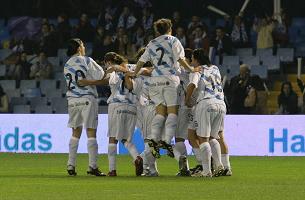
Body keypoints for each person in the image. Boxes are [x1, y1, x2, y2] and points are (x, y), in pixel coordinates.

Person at [133, 18, 197, 159]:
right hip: (169, 78)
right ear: (170, 28)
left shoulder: (152, 43)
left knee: (160, 112)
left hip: (155, 80)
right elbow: (180, 59)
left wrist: (134, 73)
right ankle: (167, 141)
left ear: (157, 30)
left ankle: (154, 140)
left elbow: (141, 61)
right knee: (172, 111)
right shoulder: (173, 40)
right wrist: (191, 69)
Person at [79, 52, 143, 177]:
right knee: (125, 138)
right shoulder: (132, 68)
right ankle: (137, 157)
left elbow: (106, 80)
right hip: (132, 107)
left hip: (117, 104)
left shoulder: (112, 69)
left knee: (112, 138)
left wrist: (88, 82)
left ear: (108, 62)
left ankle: (112, 170)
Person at [64, 38, 106, 176]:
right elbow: (100, 74)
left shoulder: (66, 64)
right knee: (91, 132)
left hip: (72, 101)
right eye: (82, 45)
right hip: (87, 98)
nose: (84, 47)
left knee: (75, 132)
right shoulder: (86, 60)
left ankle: (71, 165)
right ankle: (92, 166)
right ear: (78, 48)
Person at [185, 48, 225, 177]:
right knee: (214, 137)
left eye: (192, 59)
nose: (191, 61)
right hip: (220, 103)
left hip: (206, 103)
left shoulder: (197, 70)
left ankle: (206, 171)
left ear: (196, 59)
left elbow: (192, 85)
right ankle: (219, 165)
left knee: (203, 138)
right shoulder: (215, 68)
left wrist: (187, 100)